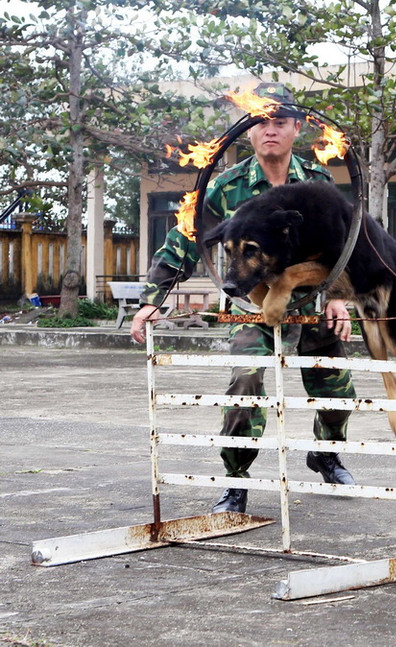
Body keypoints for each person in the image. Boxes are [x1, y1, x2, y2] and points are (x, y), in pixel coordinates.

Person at [130, 83, 357, 513]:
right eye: (261, 122)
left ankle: (326, 454)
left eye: (280, 122)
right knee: (245, 384)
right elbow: (186, 237)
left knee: (337, 389)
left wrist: (337, 296)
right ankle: (235, 480)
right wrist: (152, 300)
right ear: (249, 131)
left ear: (296, 129)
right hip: (251, 307)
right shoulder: (226, 186)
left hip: (310, 301)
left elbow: (340, 243)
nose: (270, 130)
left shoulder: (317, 180)